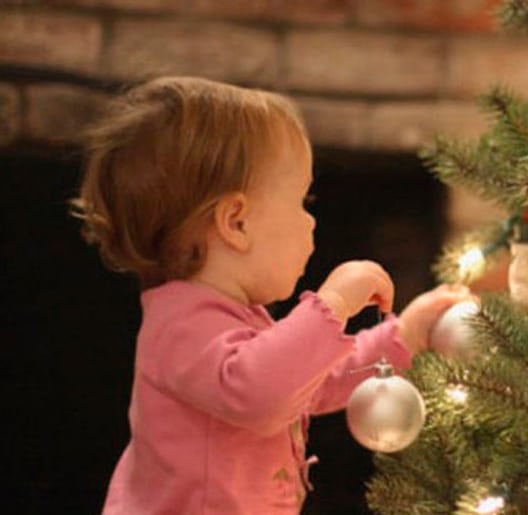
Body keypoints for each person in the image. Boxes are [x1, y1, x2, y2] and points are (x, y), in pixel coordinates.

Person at [71, 76, 470, 514]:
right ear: (236, 222)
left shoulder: (233, 320)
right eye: (302, 201)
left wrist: (404, 335)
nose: (311, 222)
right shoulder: (181, 325)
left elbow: (310, 380)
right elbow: (261, 391)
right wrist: (332, 303)